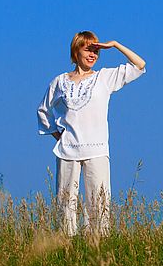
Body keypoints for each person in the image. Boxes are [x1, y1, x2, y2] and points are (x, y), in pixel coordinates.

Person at [37, 31, 147, 236]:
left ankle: (98, 246)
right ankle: (66, 245)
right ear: (75, 51)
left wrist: (115, 44)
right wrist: (59, 136)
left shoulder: (104, 78)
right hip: (67, 151)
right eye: (88, 49)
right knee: (65, 202)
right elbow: (43, 111)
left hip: (97, 150)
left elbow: (139, 65)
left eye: (96, 50)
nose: (92, 54)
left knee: (99, 202)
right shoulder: (60, 81)